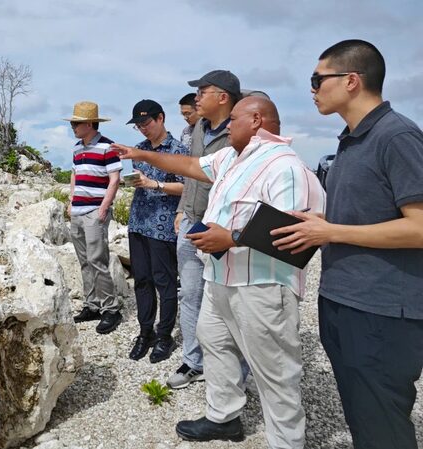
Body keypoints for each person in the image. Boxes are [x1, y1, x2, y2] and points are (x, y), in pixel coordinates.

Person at [112, 96, 326, 448]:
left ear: (256, 120)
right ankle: (224, 417)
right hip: (220, 279)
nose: (227, 126)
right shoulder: (232, 158)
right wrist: (141, 155)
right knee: (215, 344)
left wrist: (231, 238)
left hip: (260, 286)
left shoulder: (285, 167)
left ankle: (287, 441)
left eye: (234, 119)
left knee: (274, 369)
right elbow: (190, 165)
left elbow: (297, 234)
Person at [272, 39, 423, 449]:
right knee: (363, 418)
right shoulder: (350, 140)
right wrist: (322, 224)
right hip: (343, 301)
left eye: (317, 79)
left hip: (382, 312)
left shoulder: (397, 136)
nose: (312, 89)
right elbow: (365, 217)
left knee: (382, 427)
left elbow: (419, 227)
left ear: (351, 80)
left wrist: (332, 232)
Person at [168, 70, 241, 390]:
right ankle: (193, 362)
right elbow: (191, 172)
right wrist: (182, 209)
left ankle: (237, 369)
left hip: (223, 228)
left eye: (202, 92)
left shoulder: (242, 130)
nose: (196, 98)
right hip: (191, 221)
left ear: (223, 97)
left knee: (230, 301)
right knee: (190, 295)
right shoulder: (198, 127)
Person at [123, 99, 188, 362]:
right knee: (142, 281)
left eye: (146, 122)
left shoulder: (179, 150)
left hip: (163, 226)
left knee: (165, 281)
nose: (142, 128)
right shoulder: (138, 149)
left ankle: (165, 336)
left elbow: (187, 187)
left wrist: (155, 184)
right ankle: (145, 332)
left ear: (161, 118)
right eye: (138, 125)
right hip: (139, 222)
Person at [64, 101, 124, 334]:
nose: (72, 127)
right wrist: (71, 201)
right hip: (78, 211)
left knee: (97, 260)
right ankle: (92, 305)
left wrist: (103, 208)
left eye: (76, 123)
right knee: (84, 261)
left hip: (95, 211)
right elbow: (74, 175)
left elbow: (115, 179)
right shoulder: (77, 148)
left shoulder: (108, 147)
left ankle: (111, 309)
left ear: (89, 124)